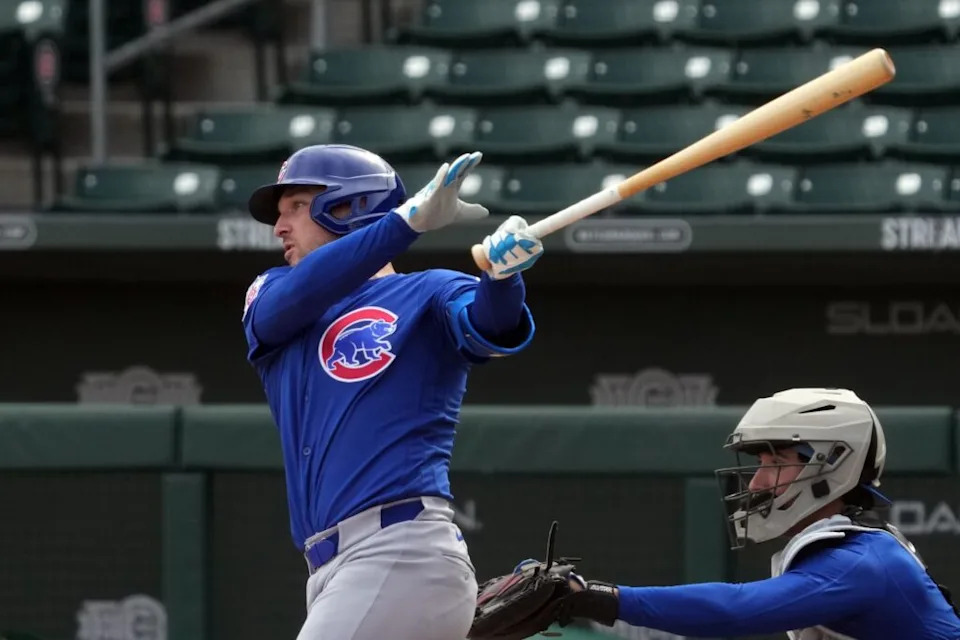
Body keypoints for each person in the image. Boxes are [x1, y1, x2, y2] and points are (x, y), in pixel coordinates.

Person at [239, 143, 542, 640]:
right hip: (332, 570)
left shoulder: (431, 290)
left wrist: (503, 279)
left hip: (399, 551)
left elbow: (489, 326)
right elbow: (290, 303)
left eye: (296, 206)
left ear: (348, 206)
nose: (279, 227)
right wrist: (408, 222)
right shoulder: (271, 291)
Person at [551, 388, 960, 639]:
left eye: (776, 462)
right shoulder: (852, 551)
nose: (756, 483)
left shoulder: (860, 562)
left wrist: (600, 599)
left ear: (834, 463)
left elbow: (735, 608)